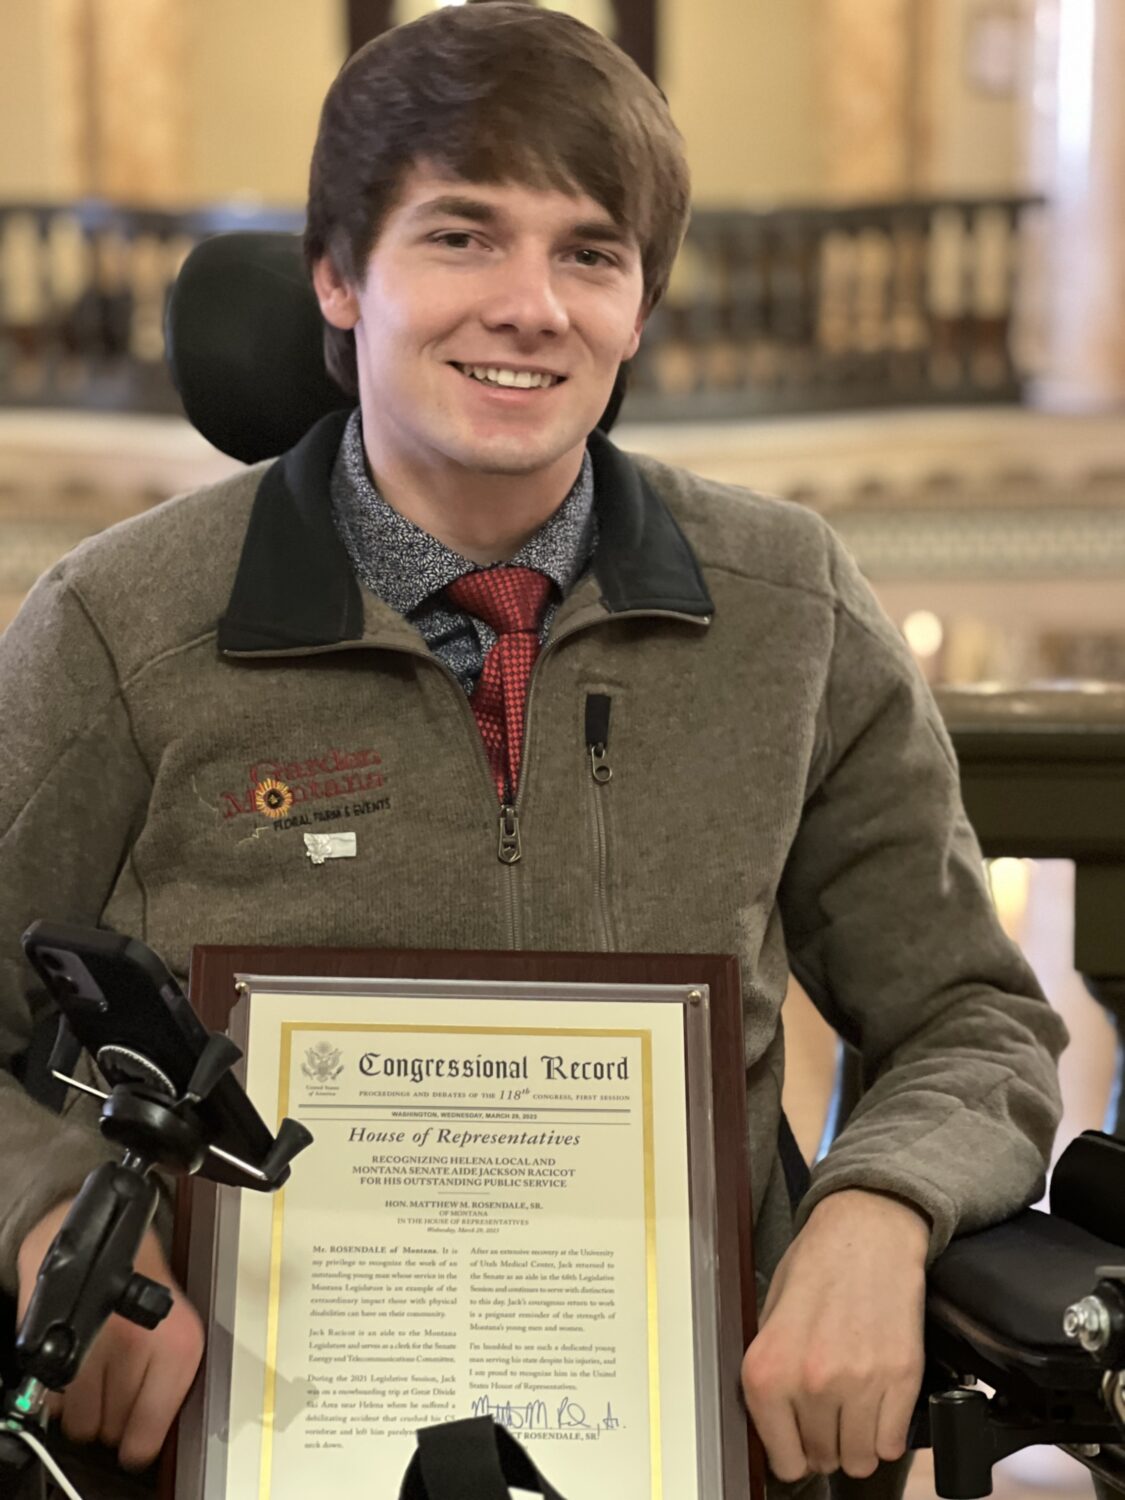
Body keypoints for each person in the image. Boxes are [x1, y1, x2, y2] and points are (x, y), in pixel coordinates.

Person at [0, 3, 1065, 1495]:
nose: (531, 306)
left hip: (689, 1442)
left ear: (639, 309)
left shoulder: (789, 604)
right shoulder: (120, 625)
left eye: (589, 253)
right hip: (233, 1440)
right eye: (459, 235)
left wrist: (877, 1209)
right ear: (334, 273)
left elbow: (972, 1016)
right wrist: (62, 1225)